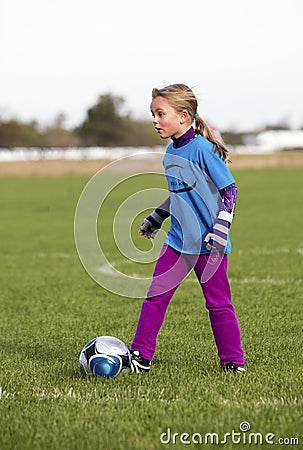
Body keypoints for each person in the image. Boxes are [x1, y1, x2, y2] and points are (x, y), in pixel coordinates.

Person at [130, 84, 245, 373]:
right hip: (178, 242)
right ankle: (140, 356)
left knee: (218, 304)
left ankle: (233, 362)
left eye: (160, 114)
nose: (155, 121)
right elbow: (180, 193)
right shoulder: (170, 154)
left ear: (183, 116)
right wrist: (157, 217)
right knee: (155, 297)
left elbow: (229, 189)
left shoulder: (204, 150)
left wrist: (221, 226)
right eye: (153, 114)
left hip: (209, 244)